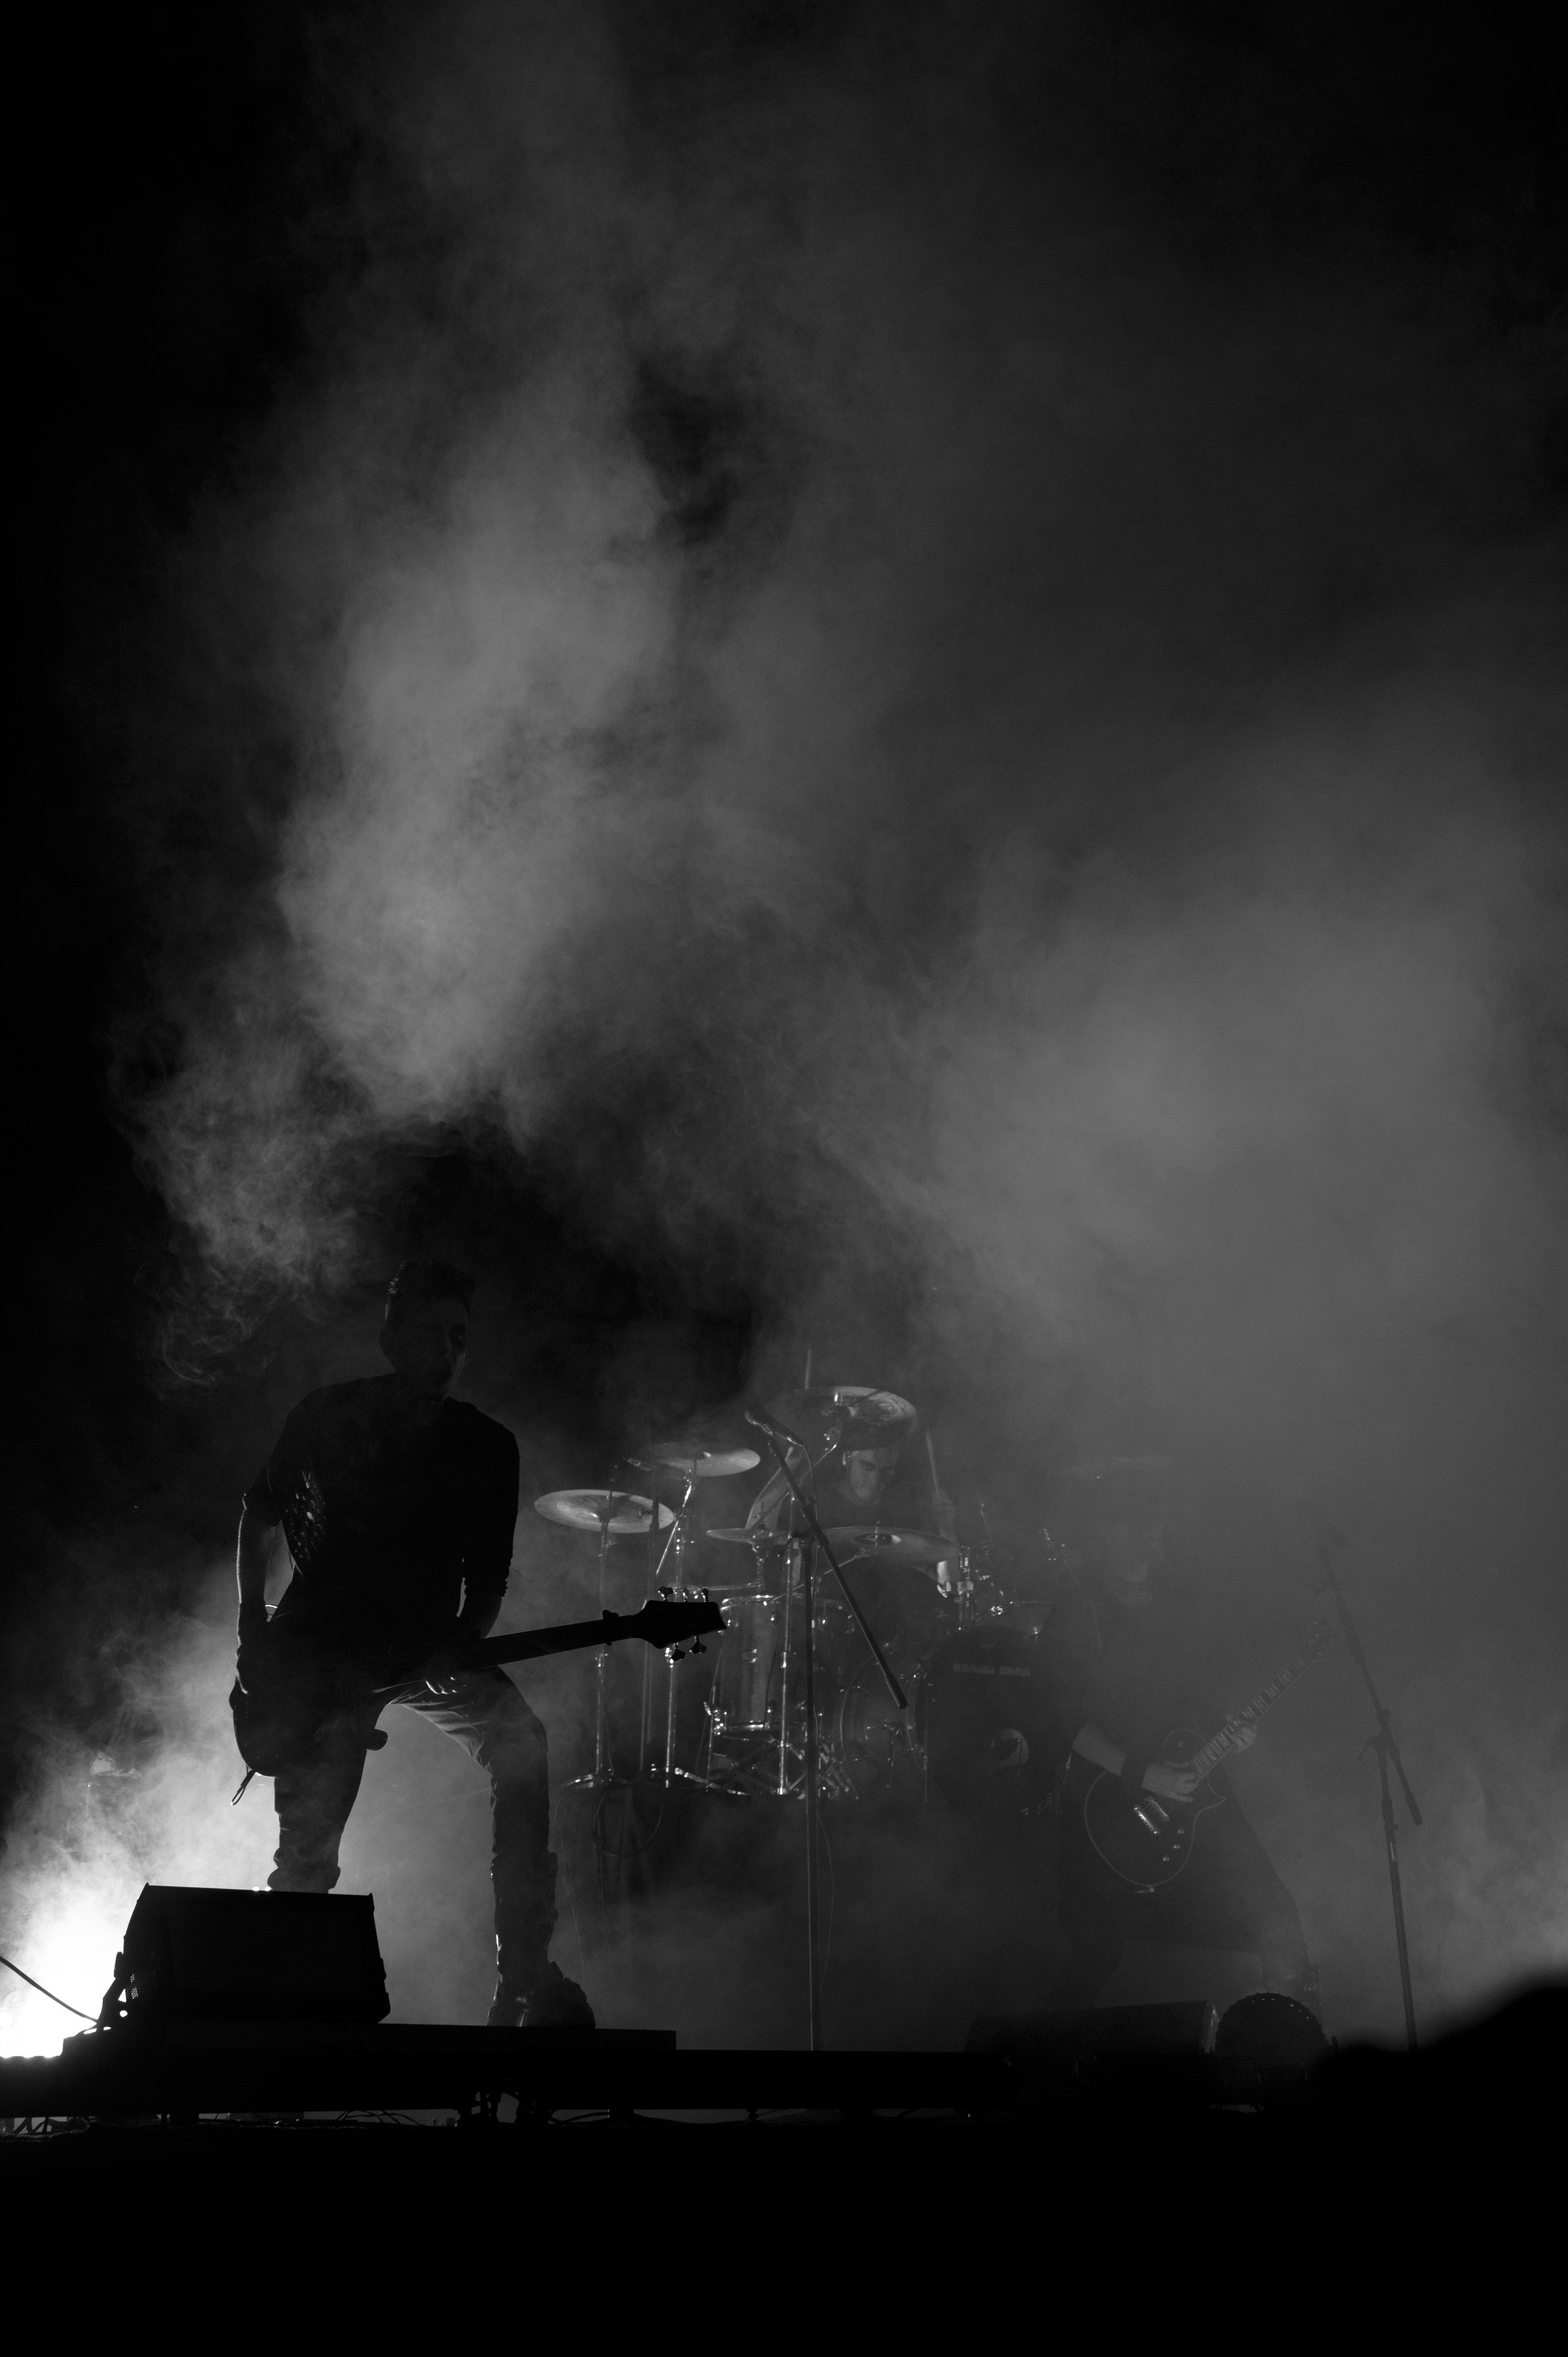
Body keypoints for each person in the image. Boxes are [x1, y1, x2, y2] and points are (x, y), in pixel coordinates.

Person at [234, 1257, 594, 2030]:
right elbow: (258, 1515)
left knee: (520, 1742)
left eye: (459, 1336)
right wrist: (250, 1626)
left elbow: (487, 1588)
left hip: (425, 1647)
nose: (447, 1350)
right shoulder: (326, 1416)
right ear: (391, 1334)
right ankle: (269, 2010)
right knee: (307, 1853)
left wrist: (457, 1646)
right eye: (432, 1332)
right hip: (324, 1655)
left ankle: (523, 1976)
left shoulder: (485, 1446)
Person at [1040, 1471, 1319, 2015]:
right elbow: (1063, 1719)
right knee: (1096, 1949)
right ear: (1109, 1533)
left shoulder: (1178, 1606)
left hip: (1194, 1789)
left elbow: (1193, 1697)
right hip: (1115, 1805)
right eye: (1138, 1523)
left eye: (1156, 1523)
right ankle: (1042, 2073)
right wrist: (1142, 1774)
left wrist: (1229, 1731)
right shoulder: (1080, 1611)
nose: (1152, 1534)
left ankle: (1291, 2052)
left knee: (1275, 1913)